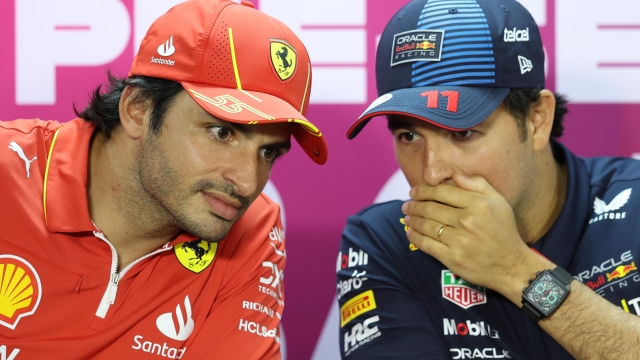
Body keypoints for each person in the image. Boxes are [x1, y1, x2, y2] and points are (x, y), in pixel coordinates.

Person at [0, 0, 326, 358]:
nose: (247, 184)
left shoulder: (253, 227)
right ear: (138, 109)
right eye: (221, 133)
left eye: (269, 153)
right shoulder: (7, 170)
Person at [336, 0, 640, 359]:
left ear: (537, 119)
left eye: (463, 132)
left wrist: (516, 270)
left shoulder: (633, 204)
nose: (432, 172)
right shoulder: (386, 240)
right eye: (409, 137)